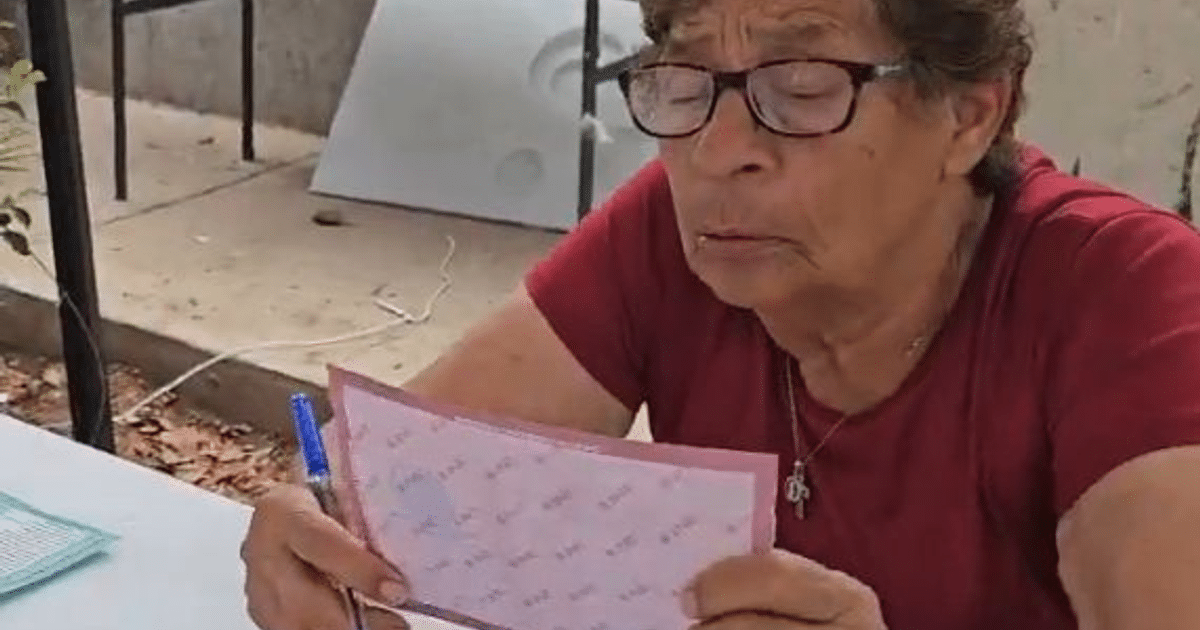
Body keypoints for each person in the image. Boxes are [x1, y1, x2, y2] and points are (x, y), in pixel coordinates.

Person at [239, 0, 1200, 628]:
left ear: (969, 117)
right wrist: (313, 533)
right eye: (685, 83)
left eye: (803, 89)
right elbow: (386, 482)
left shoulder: (1132, 302)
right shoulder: (675, 237)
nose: (717, 149)